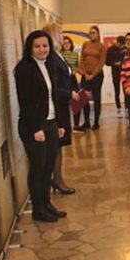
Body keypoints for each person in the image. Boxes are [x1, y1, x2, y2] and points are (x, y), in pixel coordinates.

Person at [14, 30, 69, 222]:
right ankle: (38, 209)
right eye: (37, 46)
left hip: (51, 122)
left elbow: (53, 97)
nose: (42, 49)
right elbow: (25, 101)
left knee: (48, 167)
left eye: (45, 45)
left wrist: (59, 123)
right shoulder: (23, 69)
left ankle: (47, 204)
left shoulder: (49, 65)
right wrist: (36, 128)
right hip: (34, 126)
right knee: (37, 168)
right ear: (30, 48)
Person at [42, 23, 78, 195]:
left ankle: (58, 178)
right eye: (60, 34)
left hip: (63, 104)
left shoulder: (58, 55)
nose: (63, 37)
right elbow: (53, 86)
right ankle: (56, 180)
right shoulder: (51, 58)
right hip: (57, 106)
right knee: (56, 144)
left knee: (59, 144)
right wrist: (69, 93)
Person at [77, 25, 106, 130]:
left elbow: (101, 62)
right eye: (90, 33)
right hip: (86, 75)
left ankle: (96, 122)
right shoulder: (85, 44)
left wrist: (93, 75)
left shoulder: (101, 46)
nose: (92, 34)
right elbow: (82, 59)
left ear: (97, 34)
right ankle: (87, 121)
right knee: (84, 98)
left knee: (96, 98)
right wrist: (85, 73)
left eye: (94, 33)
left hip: (97, 75)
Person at [106, 35, 126, 118]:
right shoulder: (110, 49)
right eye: (119, 44)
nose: (121, 46)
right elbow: (107, 62)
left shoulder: (126, 49)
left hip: (126, 72)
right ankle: (119, 109)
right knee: (116, 91)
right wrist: (114, 63)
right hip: (115, 72)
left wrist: (122, 63)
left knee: (126, 91)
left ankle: (127, 109)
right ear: (116, 42)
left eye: (122, 45)